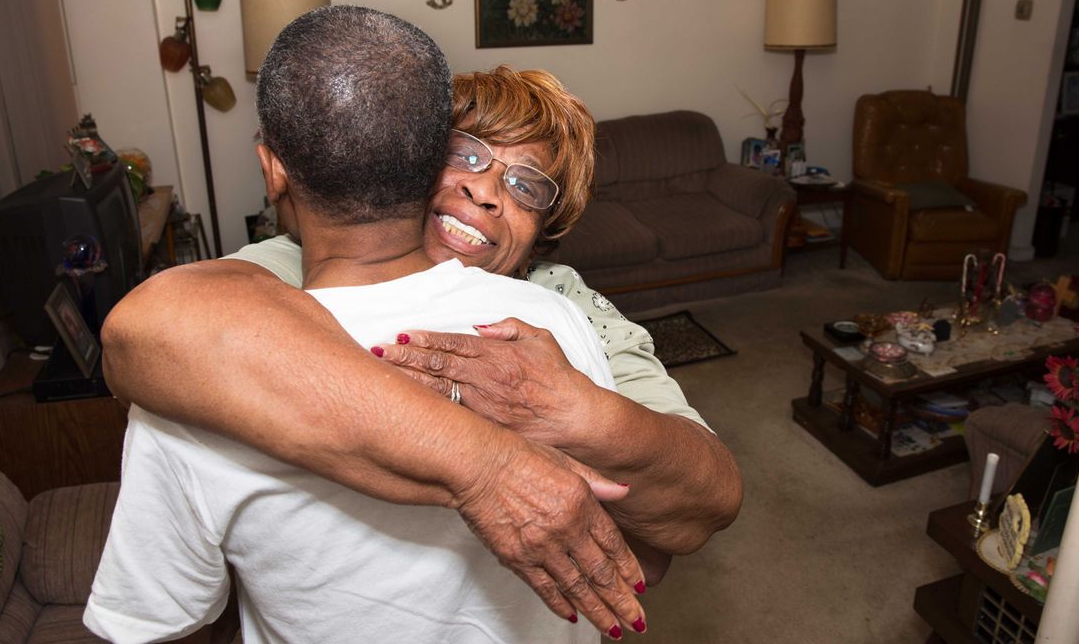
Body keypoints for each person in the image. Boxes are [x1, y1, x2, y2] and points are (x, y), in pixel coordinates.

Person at [100, 62, 742, 626]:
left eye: (526, 187)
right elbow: (144, 333)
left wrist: (576, 411)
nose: (485, 192)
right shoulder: (298, 261)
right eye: (464, 154)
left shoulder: (564, 305)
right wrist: (486, 463)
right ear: (405, 165)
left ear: (547, 227)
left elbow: (704, 500)